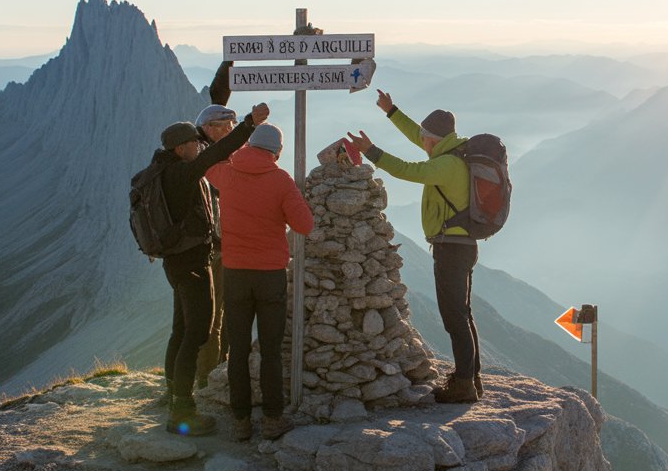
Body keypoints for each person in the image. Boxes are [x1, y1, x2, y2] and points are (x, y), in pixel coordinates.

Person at [346, 91, 481, 404]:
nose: (422, 141)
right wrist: (391, 111)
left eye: (425, 139)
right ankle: (471, 379)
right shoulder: (451, 151)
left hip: (452, 249)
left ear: (434, 140)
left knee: (454, 318)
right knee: (463, 314)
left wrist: (371, 152)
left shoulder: (446, 165)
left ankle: (464, 385)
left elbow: (407, 170)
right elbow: (416, 134)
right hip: (462, 245)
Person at [157, 102, 269, 435]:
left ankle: (173, 395)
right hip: (193, 263)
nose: (199, 147)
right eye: (194, 143)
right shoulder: (184, 172)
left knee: (181, 329)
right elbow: (217, 153)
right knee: (198, 332)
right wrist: (249, 124)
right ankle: (183, 410)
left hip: (176, 261)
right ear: (181, 148)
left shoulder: (163, 168)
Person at [206, 123, 314, 441]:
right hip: (269, 275)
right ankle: (271, 419)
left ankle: (240, 421)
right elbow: (305, 225)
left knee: (238, 349)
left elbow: (208, 164)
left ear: (249, 145)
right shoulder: (281, 180)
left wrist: (234, 143)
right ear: (277, 152)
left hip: (235, 273)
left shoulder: (226, 173)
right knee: (270, 350)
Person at [193, 101, 238, 388]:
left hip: (215, 246)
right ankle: (209, 377)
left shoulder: (201, 154)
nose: (231, 131)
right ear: (210, 128)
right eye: (227, 126)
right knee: (214, 315)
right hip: (216, 248)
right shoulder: (208, 159)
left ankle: (213, 371)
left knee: (220, 313)